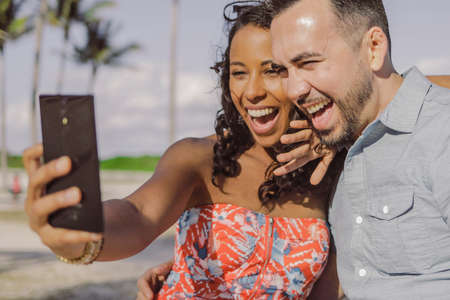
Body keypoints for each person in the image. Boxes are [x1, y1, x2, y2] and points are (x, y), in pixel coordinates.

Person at [23, 3, 343, 299]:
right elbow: (137, 214)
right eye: (239, 72)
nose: (252, 91)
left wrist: (334, 137)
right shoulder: (199, 159)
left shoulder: (331, 169)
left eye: (273, 70)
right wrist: (80, 233)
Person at [262, 0, 450, 298]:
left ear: (373, 48)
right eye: (283, 70)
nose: (293, 90)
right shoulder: (340, 147)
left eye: (308, 62)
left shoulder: (441, 134)